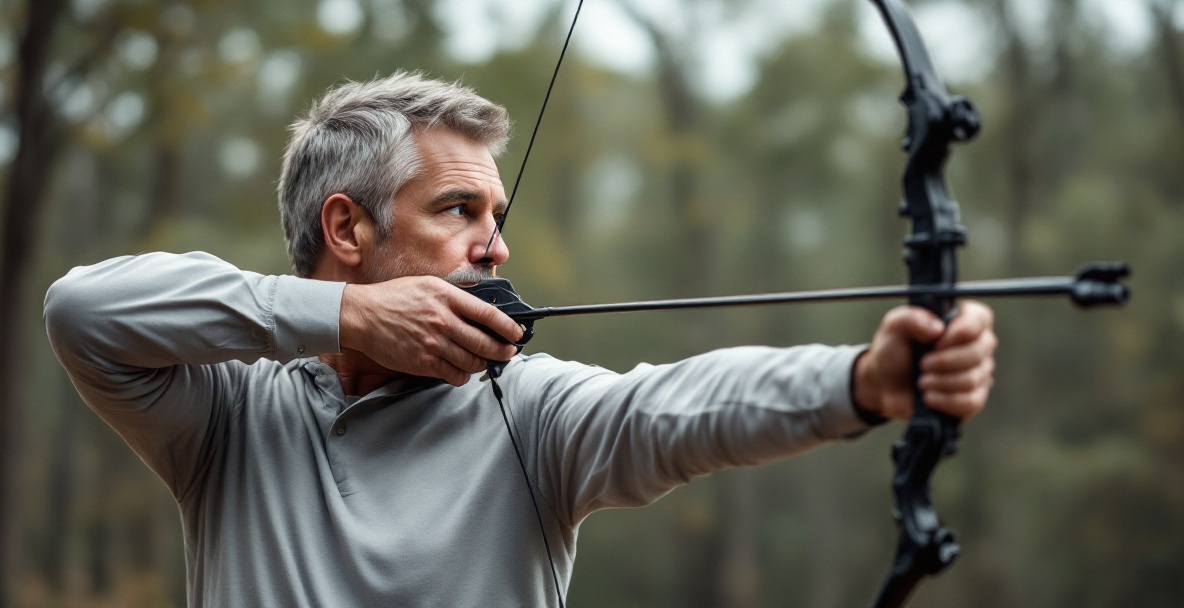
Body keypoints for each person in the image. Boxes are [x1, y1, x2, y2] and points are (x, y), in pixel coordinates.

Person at [44, 72, 996, 607]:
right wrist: (346, 317)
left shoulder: (528, 413)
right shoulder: (229, 418)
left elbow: (676, 406)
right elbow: (84, 313)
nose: (496, 245)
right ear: (346, 231)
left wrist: (867, 380)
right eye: (459, 208)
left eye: (497, 213)